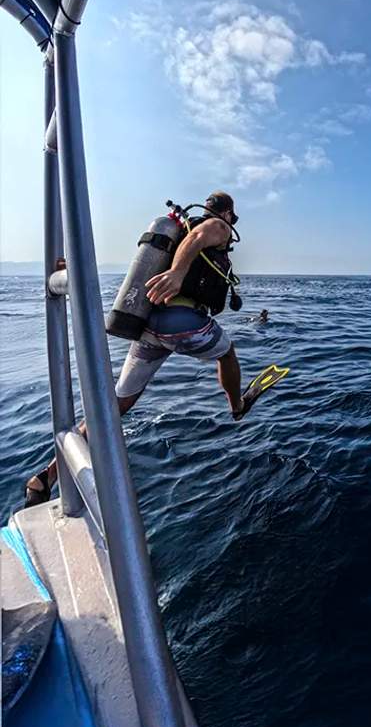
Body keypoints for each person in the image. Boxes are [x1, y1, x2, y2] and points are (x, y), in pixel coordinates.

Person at [25, 191, 286, 507]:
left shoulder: (176, 233)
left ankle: (47, 476)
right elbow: (200, 238)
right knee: (227, 353)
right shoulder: (216, 226)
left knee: (117, 404)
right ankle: (236, 406)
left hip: (149, 327)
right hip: (183, 322)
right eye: (233, 216)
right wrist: (177, 274)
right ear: (227, 212)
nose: (231, 224)